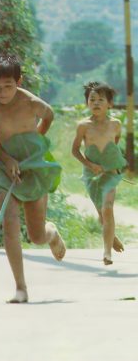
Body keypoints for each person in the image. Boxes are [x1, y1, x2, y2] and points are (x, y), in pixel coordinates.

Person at [0, 53, 65, 303]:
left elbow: (49, 115)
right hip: (4, 164)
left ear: (19, 81)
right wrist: (6, 159)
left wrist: (36, 142)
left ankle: (51, 234)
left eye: (8, 86)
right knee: (9, 223)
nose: (2, 92)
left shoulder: (32, 102)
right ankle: (20, 287)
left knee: (37, 236)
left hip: (33, 165)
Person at [71, 81, 126, 265]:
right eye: (92, 99)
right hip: (92, 176)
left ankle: (107, 253)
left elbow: (114, 145)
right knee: (102, 213)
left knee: (107, 208)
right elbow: (75, 150)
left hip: (110, 173)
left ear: (110, 104)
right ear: (87, 102)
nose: (96, 103)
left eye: (100, 100)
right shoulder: (83, 126)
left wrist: (112, 165)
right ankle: (112, 236)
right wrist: (90, 165)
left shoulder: (116, 124)